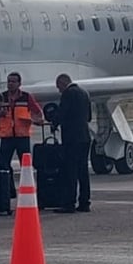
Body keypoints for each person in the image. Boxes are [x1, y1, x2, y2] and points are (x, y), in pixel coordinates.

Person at [0, 72, 45, 194]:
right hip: (6, 136)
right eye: (9, 81)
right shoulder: (1, 98)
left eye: (13, 81)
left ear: (19, 84)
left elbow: (38, 113)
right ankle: (8, 190)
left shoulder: (26, 97)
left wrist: (34, 120)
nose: (10, 84)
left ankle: (29, 188)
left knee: (26, 165)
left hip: (22, 136)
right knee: (3, 165)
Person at [53, 73, 92, 213]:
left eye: (59, 87)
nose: (59, 91)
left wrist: (54, 123)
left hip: (72, 138)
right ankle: (85, 202)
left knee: (70, 171)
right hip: (85, 137)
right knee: (83, 171)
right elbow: (89, 116)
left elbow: (62, 113)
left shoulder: (68, 94)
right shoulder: (84, 93)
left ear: (63, 84)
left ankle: (69, 203)